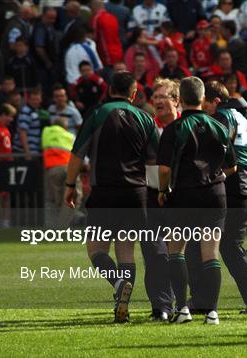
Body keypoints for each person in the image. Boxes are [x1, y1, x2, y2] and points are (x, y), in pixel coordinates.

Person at [64, 71, 160, 323]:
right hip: (136, 194)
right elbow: (154, 162)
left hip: (104, 192)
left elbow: (77, 155)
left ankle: (119, 286)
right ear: (134, 93)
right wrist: (156, 192)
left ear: (108, 90)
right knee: (126, 251)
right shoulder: (145, 118)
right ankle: (122, 307)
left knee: (95, 249)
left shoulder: (97, 115)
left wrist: (69, 184)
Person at [157, 76, 236, 325]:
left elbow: (164, 170)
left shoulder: (174, 130)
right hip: (214, 195)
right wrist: (215, 177)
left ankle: (182, 309)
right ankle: (212, 312)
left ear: (180, 101)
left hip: (183, 195)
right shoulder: (219, 127)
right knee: (210, 252)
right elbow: (232, 166)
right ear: (203, 99)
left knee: (176, 250)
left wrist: (162, 190)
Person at [203, 81, 247, 314]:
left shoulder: (222, 117)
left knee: (225, 245)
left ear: (215, 101)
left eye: (204, 101)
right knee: (230, 246)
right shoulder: (245, 122)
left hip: (233, 187)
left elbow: (221, 153)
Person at [142, 78, 180, 321]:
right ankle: (162, 307)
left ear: (176, 100)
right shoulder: (147, 129)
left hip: (182, 198)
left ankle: (188, 303)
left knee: (182, 255)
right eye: (155, 97)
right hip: (151, 197)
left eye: (163, 96)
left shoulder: (188, 126)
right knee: (155, 252)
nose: (158, 101)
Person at [42, 116, 77, 228]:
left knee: (52, 199)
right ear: (65, 126)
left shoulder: (46, 132)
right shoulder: (70, 136)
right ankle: (63, 224)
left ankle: (52, 227)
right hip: (69, 168)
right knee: (71, 197)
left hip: (52, 169)